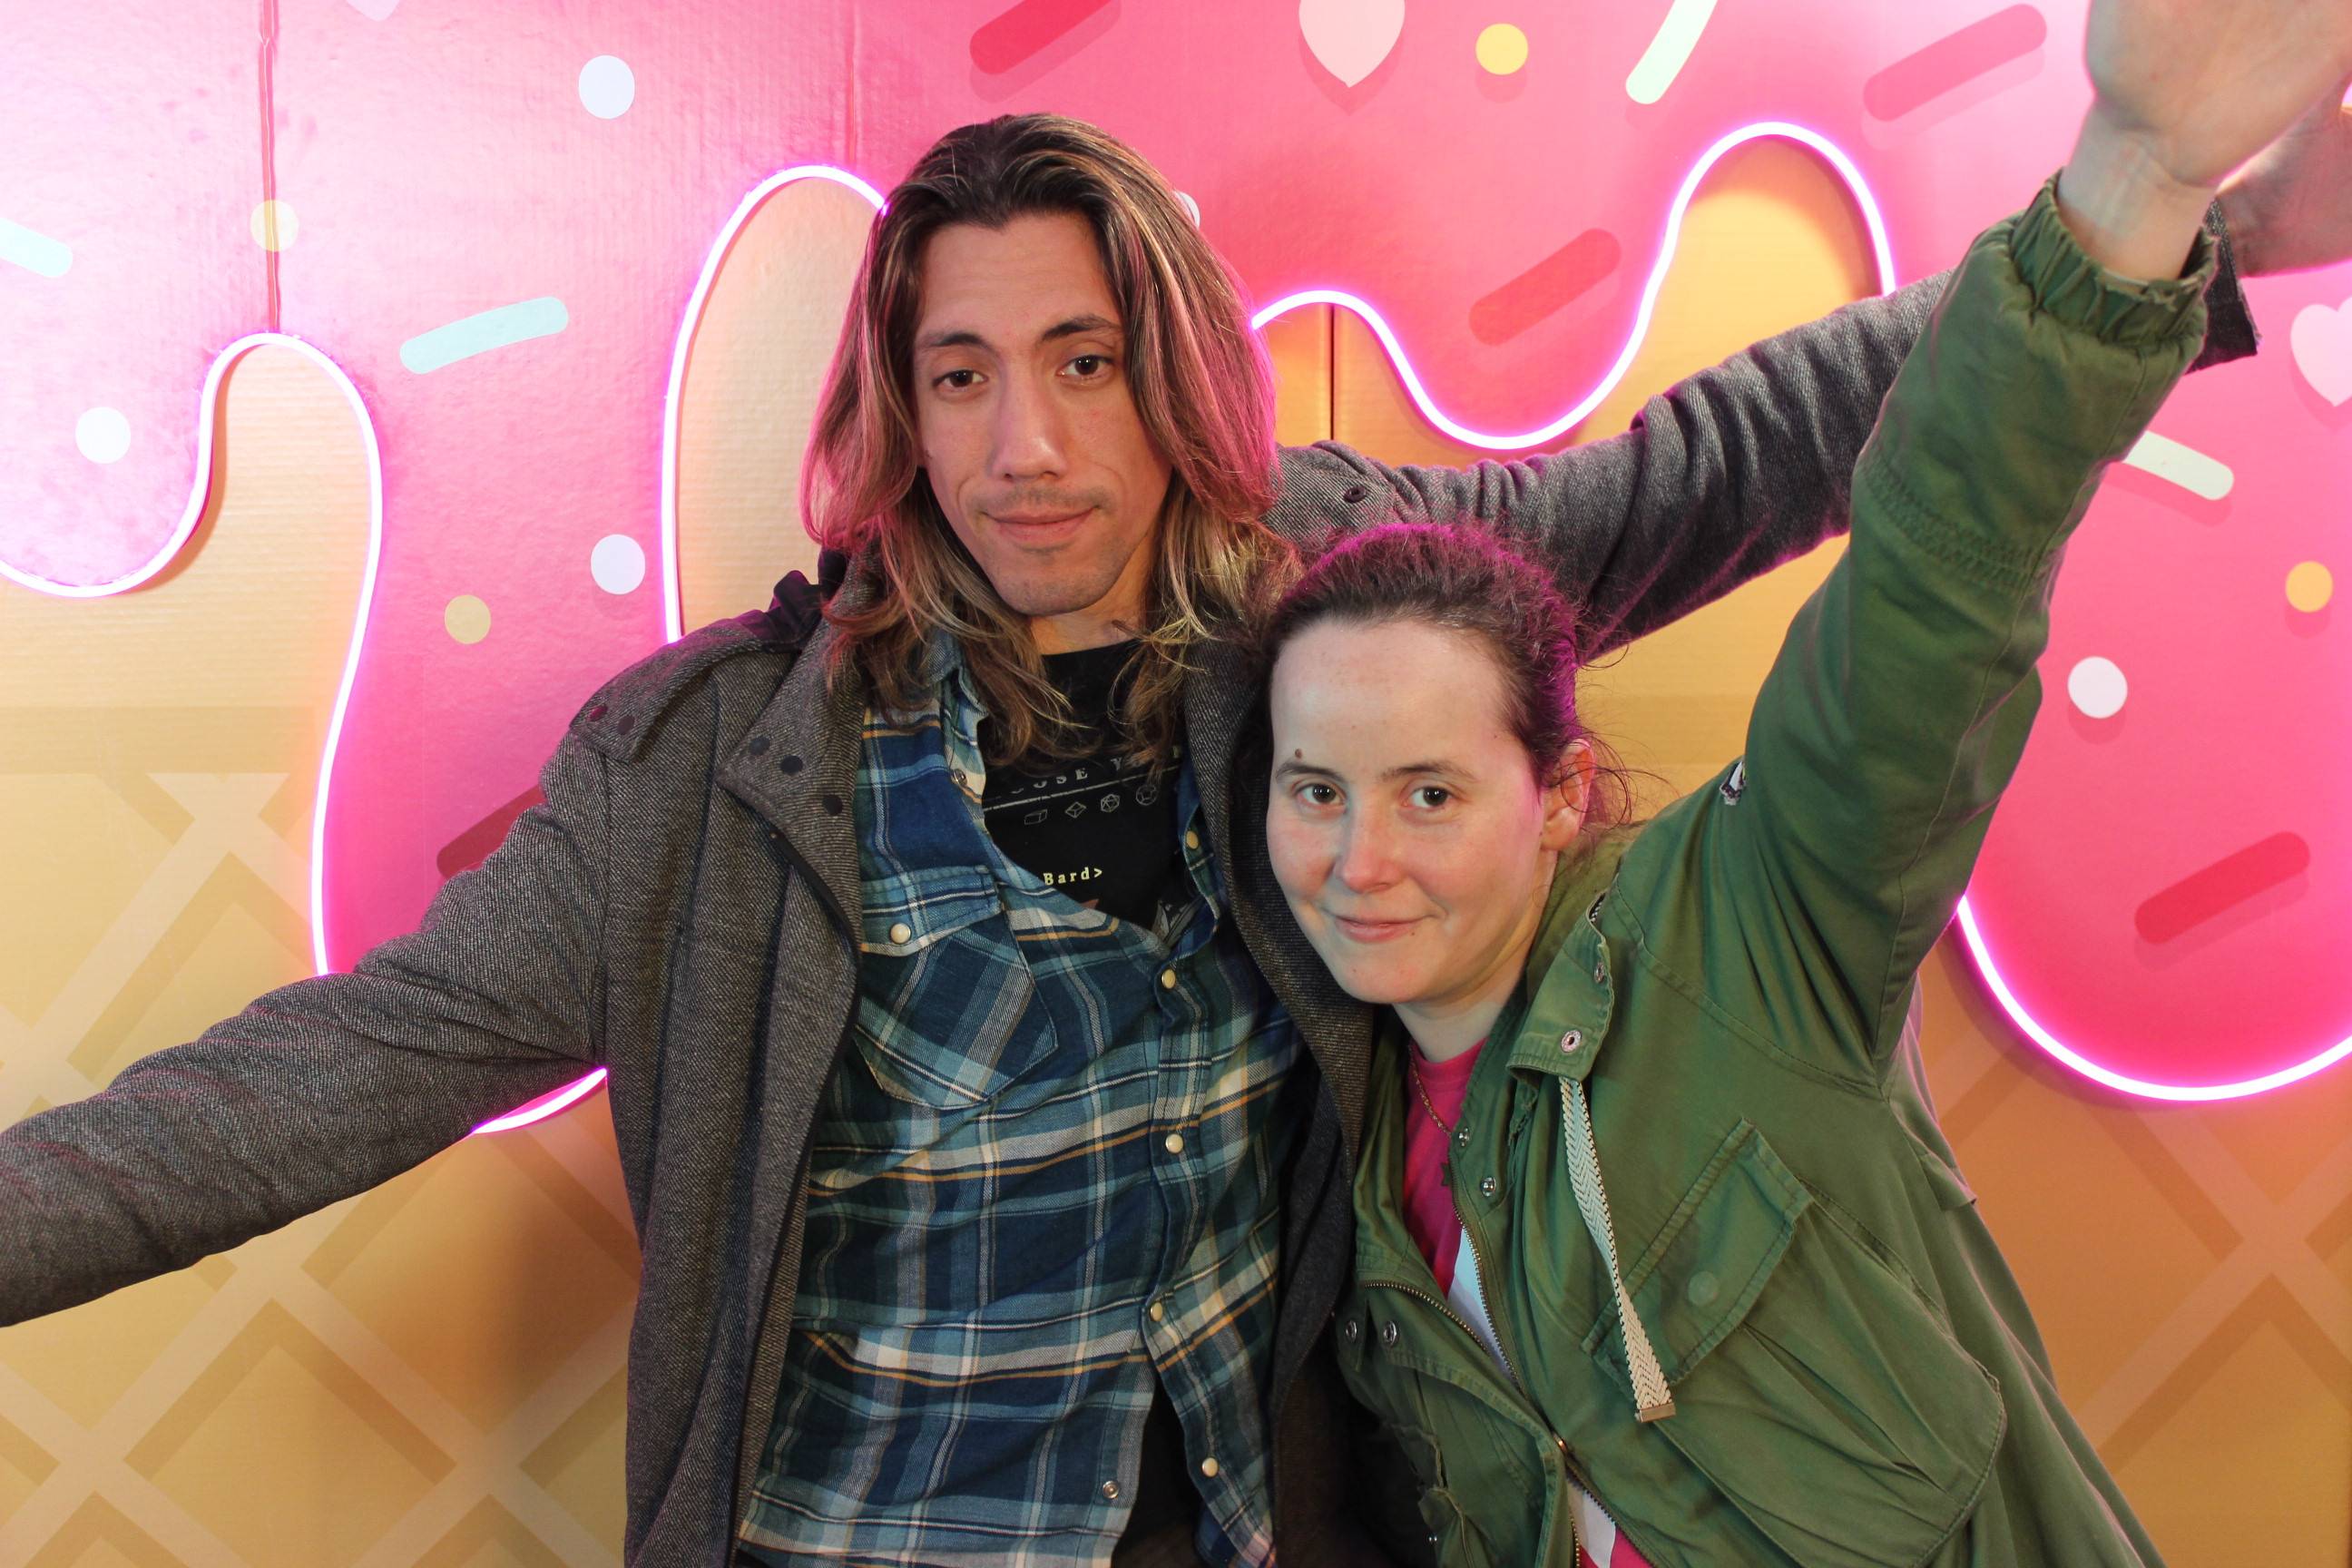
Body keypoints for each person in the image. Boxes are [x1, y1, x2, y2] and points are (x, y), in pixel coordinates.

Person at [0, 45, 2342, 1563]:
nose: (1025, 447)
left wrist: (2181, 239)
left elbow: (1720, 461)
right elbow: (319, 1078)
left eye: (1086, 361)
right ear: (896, 406)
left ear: (1175, 372)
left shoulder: (1339, 602)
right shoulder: (709, 770)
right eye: (961, 374)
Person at [1253, 8, 2352, 1565]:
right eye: (1316, 791)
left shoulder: (1741, 930)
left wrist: (2140, 177)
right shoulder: (1356, 1175)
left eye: (1431, 794)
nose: (1360, 859)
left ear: (1557, 791)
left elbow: (1936, 574)